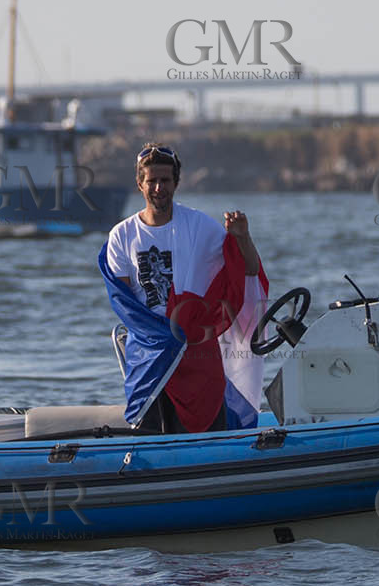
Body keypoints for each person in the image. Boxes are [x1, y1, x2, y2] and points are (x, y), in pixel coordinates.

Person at [100, 143, 266, 434]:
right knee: (148, 435)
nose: (158, 188)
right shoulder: (122, 235)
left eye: (165, 180)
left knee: (210, 431)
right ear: (140, 183)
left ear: (176, 182)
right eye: (151, 180)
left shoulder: (200, 226)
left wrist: (242, 237)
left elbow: (248, 271)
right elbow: (125, 304)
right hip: (149, 357)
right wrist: (162, 336)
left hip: (196, 351)